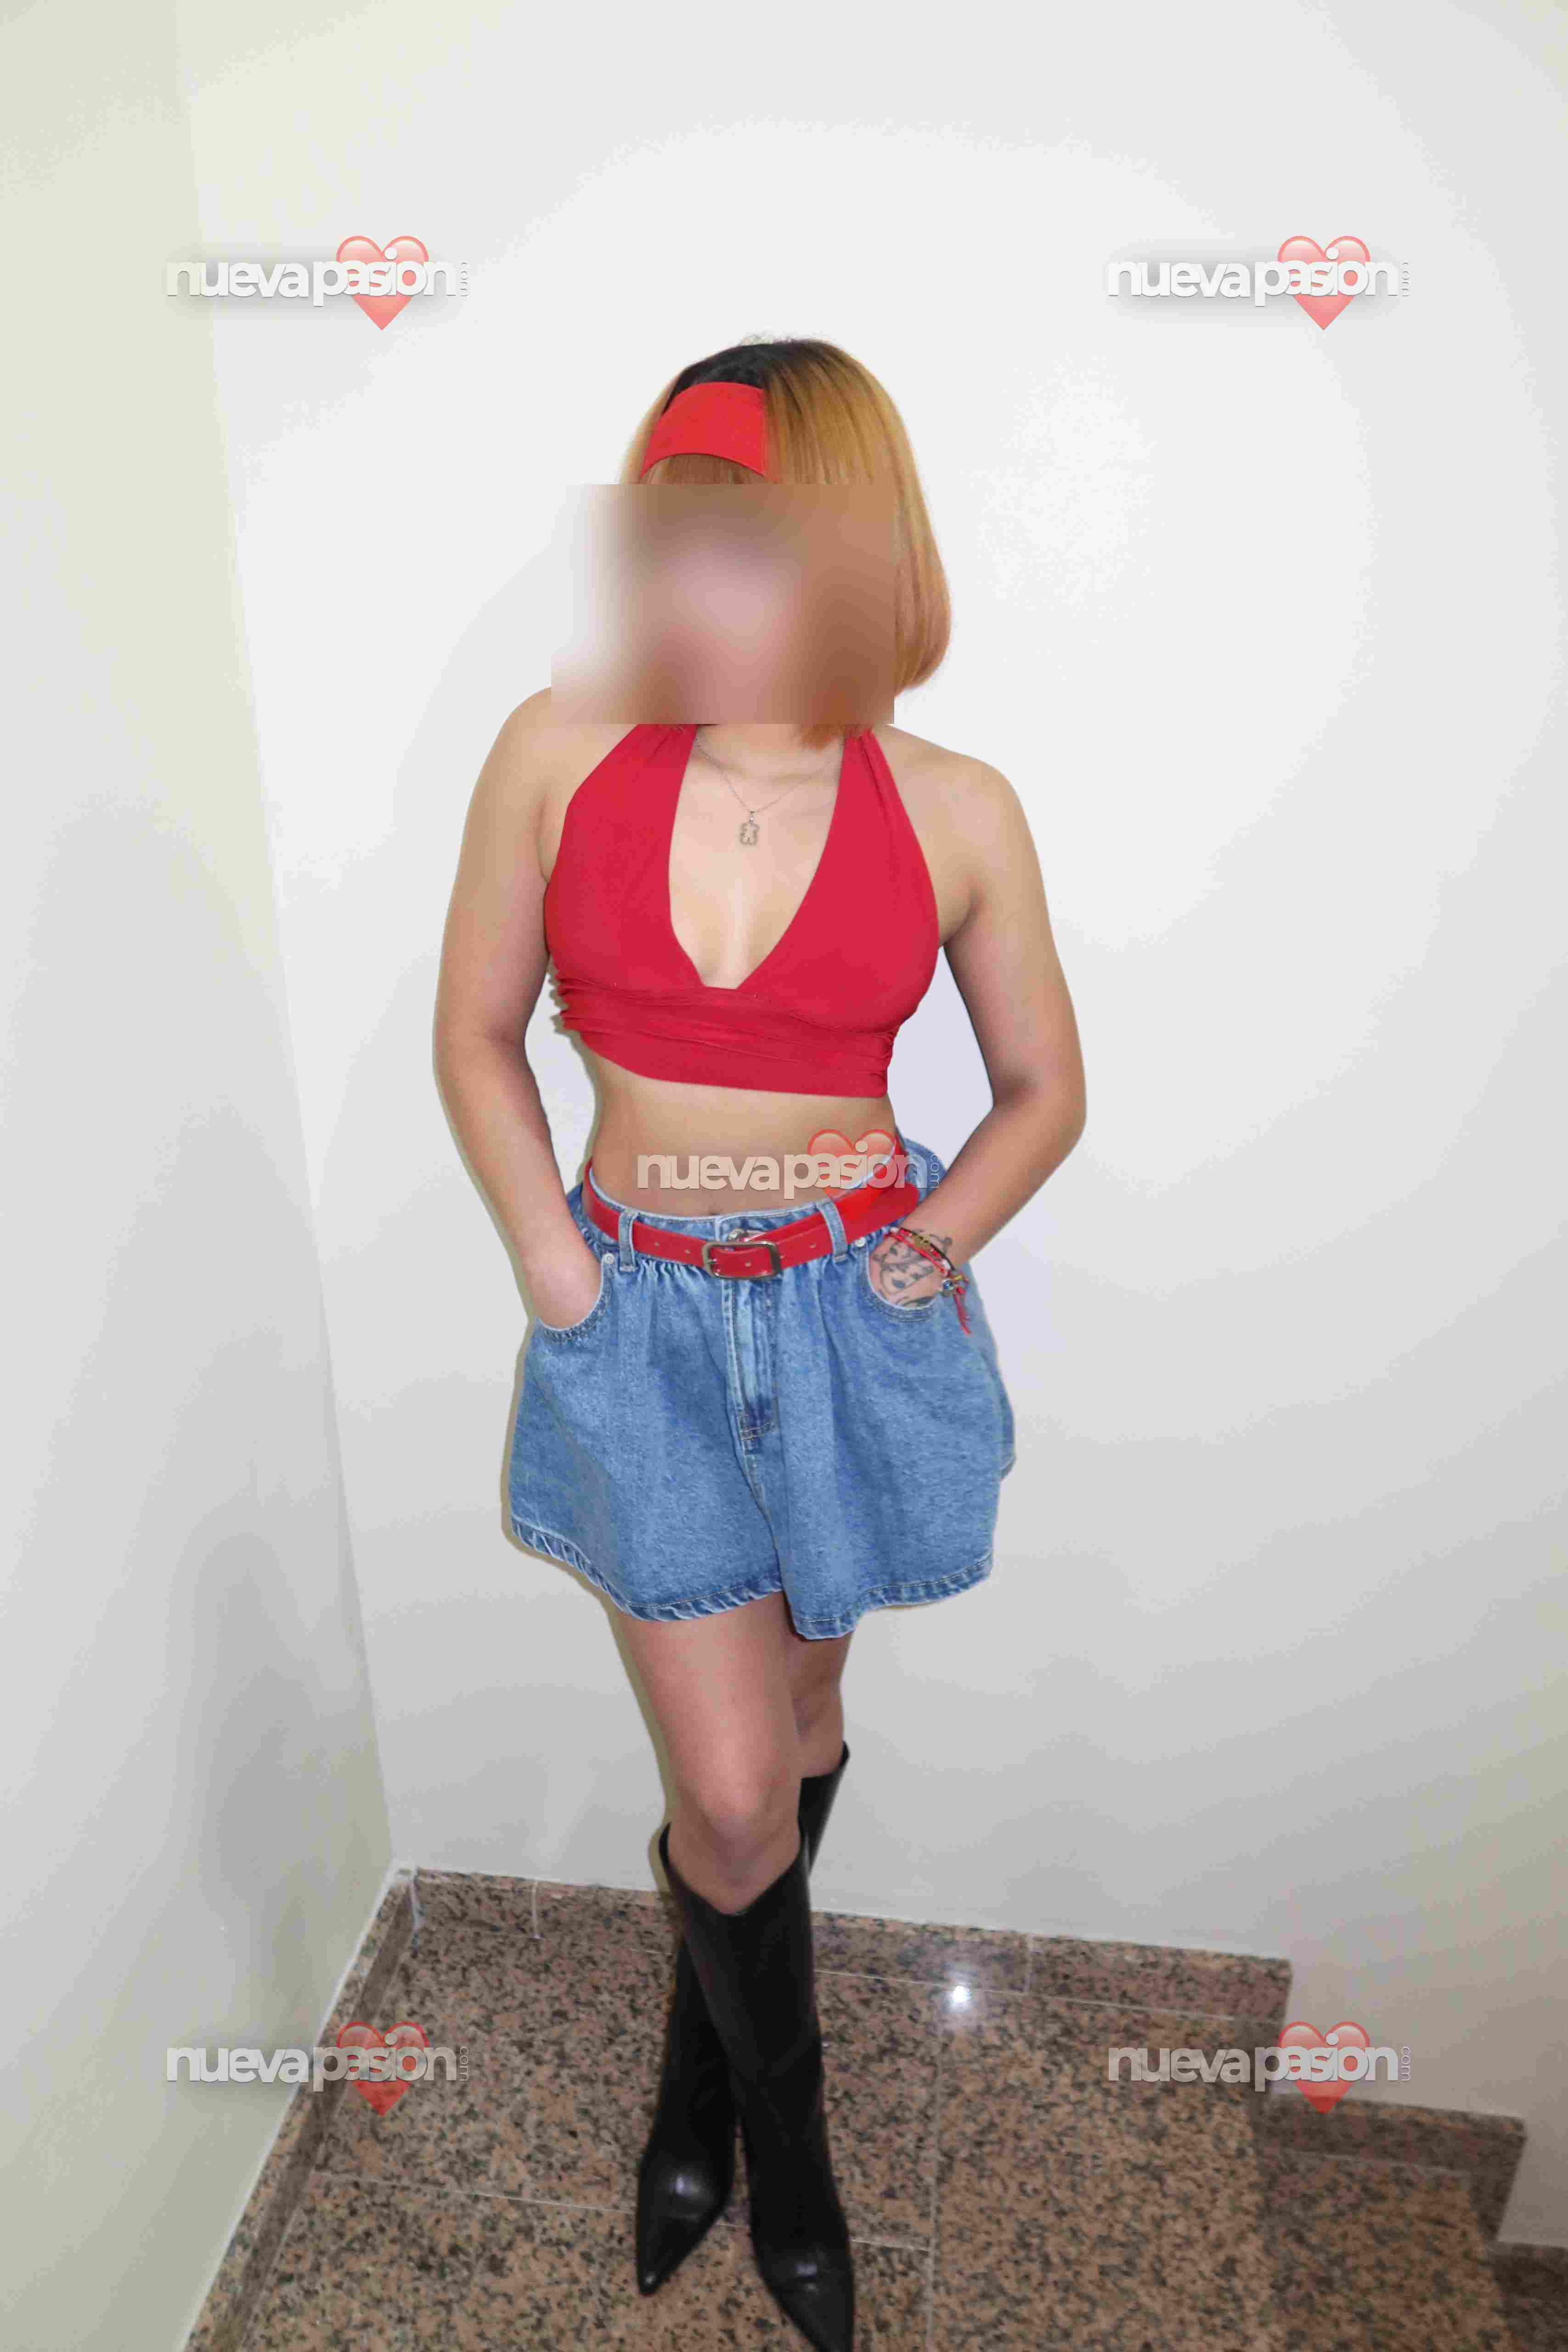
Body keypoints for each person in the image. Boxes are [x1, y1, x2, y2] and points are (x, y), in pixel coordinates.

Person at [433, 336, 1086, 2352]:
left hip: (849, 1319)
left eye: (744, 547)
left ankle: (697, 2071)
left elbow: (1044, 1089)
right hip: (634, 1312)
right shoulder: (558, 750)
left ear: (848, 553)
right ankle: (783, 2157)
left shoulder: (956, 806)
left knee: (791, 1738)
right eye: (668, 542)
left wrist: (929, 1245)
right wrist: (557, 1265)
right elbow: (475, 1035)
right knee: (728, 1793)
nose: (689, 592)